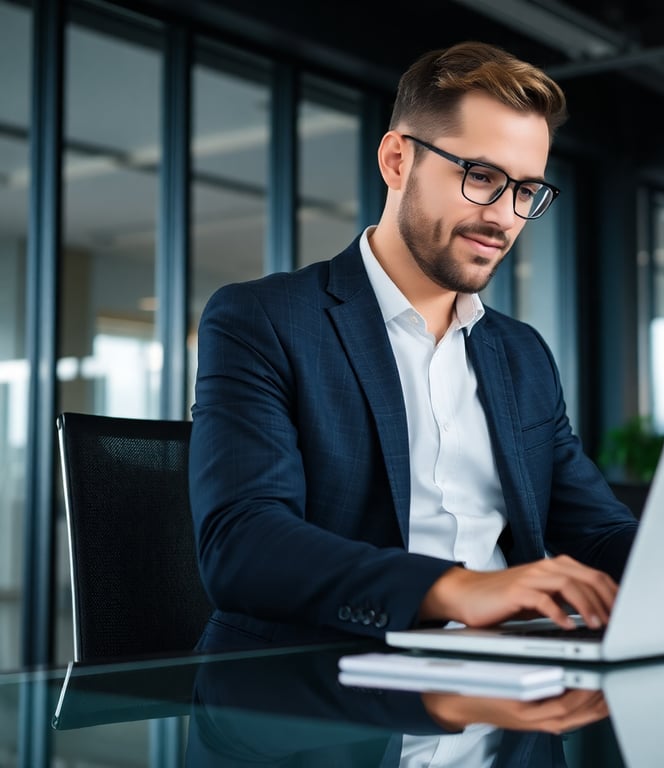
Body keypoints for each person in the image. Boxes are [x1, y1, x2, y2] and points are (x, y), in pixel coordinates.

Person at [189, 40, 640, 654]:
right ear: (398, 161)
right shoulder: (264, 320)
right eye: (481, 177)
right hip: (325, 697)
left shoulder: (521, 353)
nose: (505, 217)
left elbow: (596, 529)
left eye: (526, 191)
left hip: (509, 695)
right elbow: (243, 544)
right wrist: (456, 590)